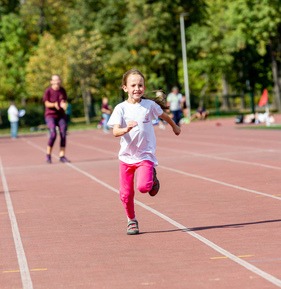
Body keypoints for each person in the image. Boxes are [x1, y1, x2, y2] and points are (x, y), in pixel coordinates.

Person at [107, 69, 181, 235]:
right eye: (133, 85)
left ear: (144, 87)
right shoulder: (121, 109)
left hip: (144, 156)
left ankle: (151, 178)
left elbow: (164, 116)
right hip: (126, 158)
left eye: (140, 85)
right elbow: (115, 131)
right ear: (125, 88)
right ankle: (131, 220)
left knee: (143, 187)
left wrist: (174, 126)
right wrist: (126, 129)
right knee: (125, 194)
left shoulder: (149, 106)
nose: (137, 88)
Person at [43, 74, 69, 164]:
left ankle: (62, 156)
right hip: (50, 115)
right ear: (51, 82)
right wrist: (54, 105)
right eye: (55, 80)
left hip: (61, 115)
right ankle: (48, 155)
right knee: (53, 134)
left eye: (58, 80)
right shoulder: (48, 91)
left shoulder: (62, 91)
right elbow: (46, 104)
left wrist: (64, 105)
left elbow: (64, 102)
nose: (57, 82)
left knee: (63, 134)